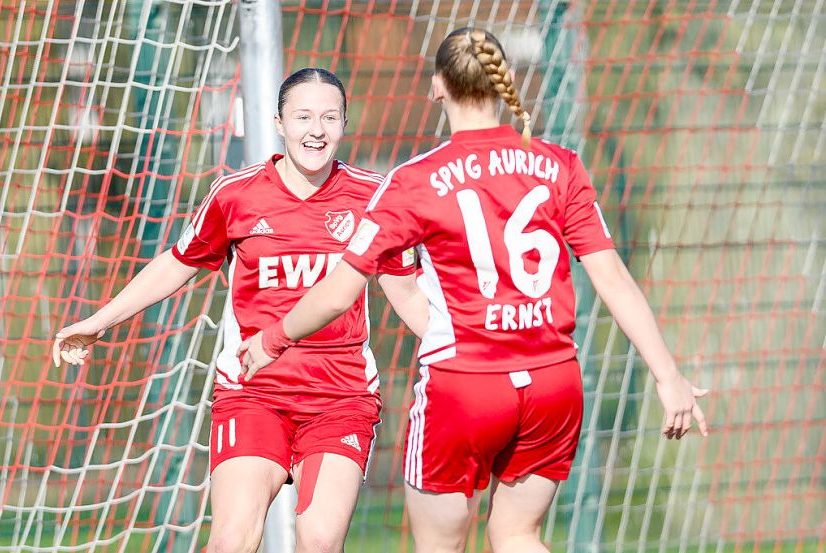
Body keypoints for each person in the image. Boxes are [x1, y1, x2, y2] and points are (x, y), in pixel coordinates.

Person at [239, 29, 709, 553]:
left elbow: (337, 294)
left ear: (438, 86)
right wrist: (668, 376)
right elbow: (613, 278)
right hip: (553, 382)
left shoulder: (416, 180)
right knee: (516, 535)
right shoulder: (560, 165)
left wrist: (271, 338)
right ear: (501, 79)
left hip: (465, 384)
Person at [52, 67, 426, 553]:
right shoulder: (237, 194)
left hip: (341, 396)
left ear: (344, 124)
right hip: (254, 393)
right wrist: (97, 323)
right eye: (303, 116)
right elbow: (176, 264)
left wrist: (473, 353)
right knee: (231, 540)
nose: (317, 130)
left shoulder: (374, 198)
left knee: (319, 539)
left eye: (329, 117)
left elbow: (409, 295)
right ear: (277, 122)